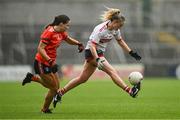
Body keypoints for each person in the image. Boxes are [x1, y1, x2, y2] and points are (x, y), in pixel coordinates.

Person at [53, 8, 142, 108]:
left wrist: (131, 52)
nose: (120, 28)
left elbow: (120, 41)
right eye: (119, 25)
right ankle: (130, 91)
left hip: (98, 54)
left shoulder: (115, 30)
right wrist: (97, 59)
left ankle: (59, 93)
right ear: (114, 22)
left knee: (82, 79)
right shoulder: (100, 29)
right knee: (112, 71)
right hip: (92, 53)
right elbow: (92, 46)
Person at [22, 15, 84, 113]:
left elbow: (68, 39)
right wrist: (49, 60)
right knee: (54, 88)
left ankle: (32, 78)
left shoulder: (61, 32)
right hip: (41, 63)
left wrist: (78, 43)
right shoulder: (49, 32)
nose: (68, 27)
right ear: (60, 24)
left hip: (50, 63)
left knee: (56, 87)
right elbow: (40, 48)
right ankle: (44, 109)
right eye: (67, 25)